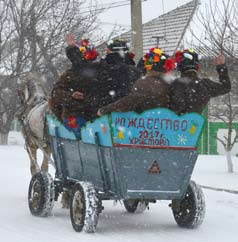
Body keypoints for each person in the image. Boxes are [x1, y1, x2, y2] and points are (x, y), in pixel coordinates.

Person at [49, 33, 141, 123]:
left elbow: (81, 65)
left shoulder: (102, 69)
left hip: (98, 116)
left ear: (109, 51)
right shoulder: (135, 72)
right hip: (129, 119)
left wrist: (72, 48)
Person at [97, 47, 176, 115]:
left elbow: (129, 101)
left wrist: (105, 110)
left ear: (149, 66)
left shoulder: (146, 83)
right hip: (167, 125)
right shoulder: (172, 82)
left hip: (147, 125)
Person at [169, 49, 231, 115]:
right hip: (195, 124)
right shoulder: (205, 85)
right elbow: (226, 87)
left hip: (174, 123)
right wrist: (221, 67)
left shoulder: (173, 85)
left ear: (180, 67)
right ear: (197, 66)